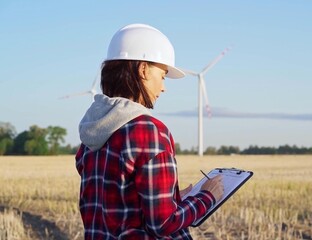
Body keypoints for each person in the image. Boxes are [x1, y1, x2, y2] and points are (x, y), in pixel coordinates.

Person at [75, 23, 224, 240]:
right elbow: (163, 224)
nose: (163, 87)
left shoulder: (92, 131)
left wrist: (171, 199)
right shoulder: (149, 131)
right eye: (162, 75)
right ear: (143, 69)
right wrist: (207, 197)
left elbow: (118, 205)